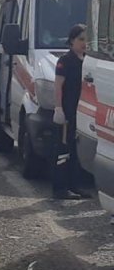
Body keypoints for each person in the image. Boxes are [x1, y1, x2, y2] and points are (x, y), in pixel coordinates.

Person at [52, 24, 90, 201]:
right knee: (63, 151)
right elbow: (58, 85)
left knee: (75, 151)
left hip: (81, 112)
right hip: (67, 111)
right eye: (81, 39)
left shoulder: (87, 60)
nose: (84, 43)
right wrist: (58, 108)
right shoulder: (65, 61)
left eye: (86, 39)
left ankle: (74, 186)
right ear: (72, 40)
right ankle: (60, 188)